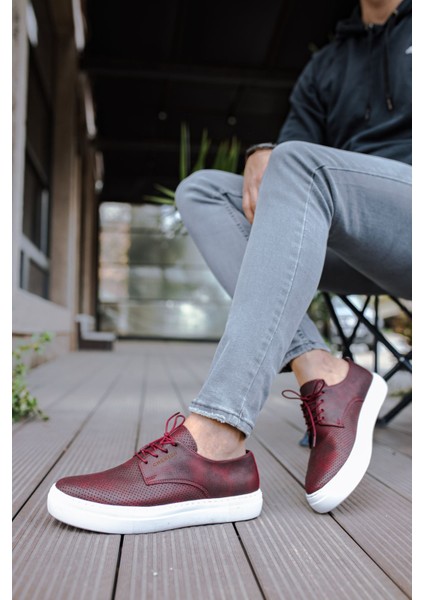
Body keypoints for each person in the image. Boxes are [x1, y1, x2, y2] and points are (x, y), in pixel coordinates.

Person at [47, 0, 411, 534]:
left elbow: (303, 160)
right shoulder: (329, 62)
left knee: (301, 165)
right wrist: (263, 151)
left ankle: (216, 437)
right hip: (353, 238)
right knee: (203, 191)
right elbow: (290, 149)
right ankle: (324, 371)